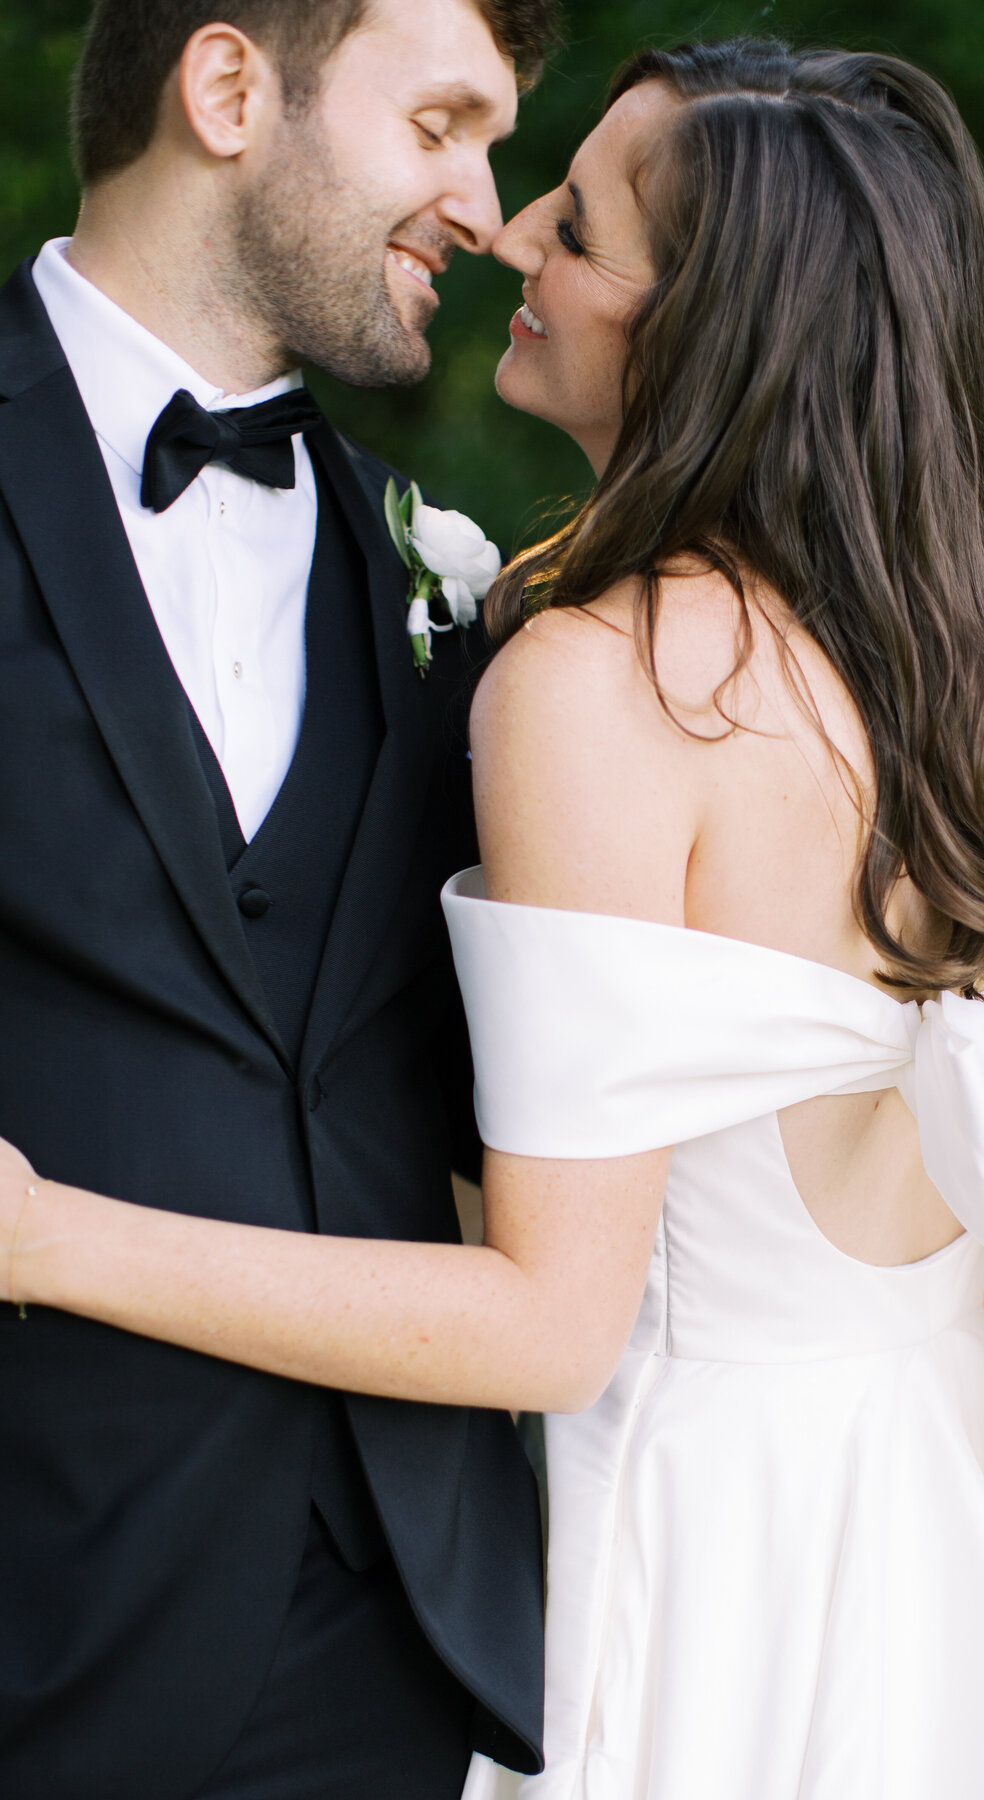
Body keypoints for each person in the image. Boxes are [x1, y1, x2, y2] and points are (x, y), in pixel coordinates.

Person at [4, 31, 984, 1800]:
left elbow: (553, 1317)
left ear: (708, 323)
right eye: (472, 146)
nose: (510, 232)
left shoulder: (591, 684)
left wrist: (38, 1234)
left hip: (705, 1573)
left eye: (572, 219)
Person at [0, 1, 559, 1796]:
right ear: (231, 88)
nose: (488, 204)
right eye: (445, 124)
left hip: (385, 1632)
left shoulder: (450, 576)